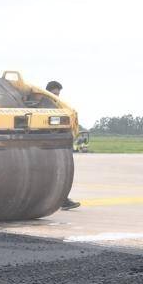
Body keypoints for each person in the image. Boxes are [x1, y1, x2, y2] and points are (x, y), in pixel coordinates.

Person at [46, 80, 80, 211]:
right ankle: (62, 200)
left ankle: (63, 200)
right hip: (49, 147)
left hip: (57, 147)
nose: (56, 96)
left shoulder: (59, 107)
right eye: (54, 93)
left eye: (58, 94)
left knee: (60, 175)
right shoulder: (43, 106)